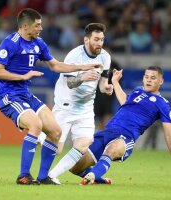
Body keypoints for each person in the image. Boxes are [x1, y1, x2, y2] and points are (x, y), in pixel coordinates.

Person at [0, 8, 101, 185]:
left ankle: (43, 176)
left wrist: (82, 67)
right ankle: (24, 176)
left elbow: (55, 66)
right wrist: (22, 77)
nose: (41, 28)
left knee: (55, 131)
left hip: (25, 94)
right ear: (25, 26)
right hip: (8, 96)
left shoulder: (39, 43)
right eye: (37, 25)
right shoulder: (11, 43)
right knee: (36, 125)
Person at [69, 66, 171, 185]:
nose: (149, 80)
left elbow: (168, 134)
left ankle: (92, 176)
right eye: (146, 77)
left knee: (112, 150)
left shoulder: (163, 104)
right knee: (74, 167)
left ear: (161, 81)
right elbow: (125, 102)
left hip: (126, 137)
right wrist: (115, 82)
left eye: (153, 78)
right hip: (108, 131)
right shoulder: (138, 91)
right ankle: (99, 179)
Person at [38, 23, 113, 185]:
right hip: (66, 104)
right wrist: (82, 77)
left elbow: (102, 82)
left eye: (102, 39)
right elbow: (70, 83)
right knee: (56, 149)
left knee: (84, 144)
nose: (100, 43)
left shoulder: (105, 57)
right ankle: (42, 135)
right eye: (96, 39)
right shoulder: (74, 56)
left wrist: (106, 87)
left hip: (85, 107)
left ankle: (51, 175)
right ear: (86, 40)